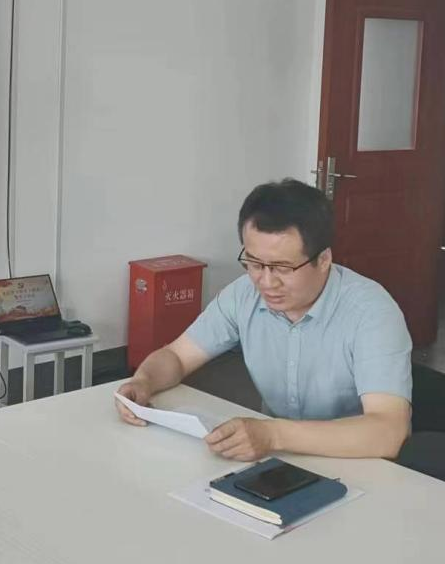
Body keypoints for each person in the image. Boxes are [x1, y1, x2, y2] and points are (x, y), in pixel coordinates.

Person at [116, 179, 412, 460]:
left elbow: (388, 431)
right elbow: (177, 356)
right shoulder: (243, 294)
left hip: (355, 461)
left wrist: (273, 435)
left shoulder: (371, 312)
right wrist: (143, 381)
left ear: (323, 260)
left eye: (283, 268)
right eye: (254, 263)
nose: (266, 282)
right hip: (276, 458)